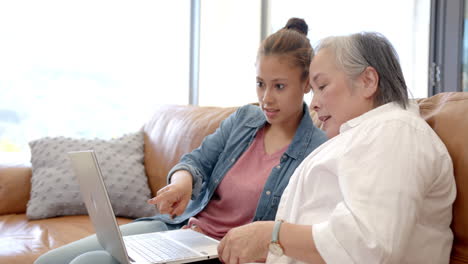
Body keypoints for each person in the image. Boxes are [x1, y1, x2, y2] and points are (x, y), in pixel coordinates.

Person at [34, 18, 328, 264]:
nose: (266, 98)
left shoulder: (315, 150)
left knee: (87, 263)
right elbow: (197, 161)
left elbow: (299, 232)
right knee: (47, 261)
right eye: (260, 83)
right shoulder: (244, 120)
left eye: (279, 86)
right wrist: (182, 183)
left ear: (306, 84)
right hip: (180, 228)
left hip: (217, 253)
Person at [217, 32, 457, 264]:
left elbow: (368, 245)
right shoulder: (362, 135)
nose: (314, 103)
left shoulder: (396, 130)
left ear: (368, 81)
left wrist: (271, 235)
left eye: (322, 86)